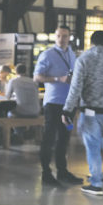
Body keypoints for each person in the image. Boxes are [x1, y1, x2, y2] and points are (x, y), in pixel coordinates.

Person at [62, 31, 103, 195]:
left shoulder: (84, 59)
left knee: (93, 147)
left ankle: (96, 184)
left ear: (91, 42)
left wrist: (68, 110)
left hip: (91, 111)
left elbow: (76, 87)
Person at [33, 25, 83, 186]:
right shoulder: (47, 55)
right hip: (53, 103)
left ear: (70, 37)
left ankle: (62, 171)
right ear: (55, 37)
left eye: (65, 36)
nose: (62, 39)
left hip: (69, 104)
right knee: (49, 137)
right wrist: (57, 79)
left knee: (64, 138)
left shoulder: (72, 54)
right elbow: (37, 77)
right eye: (59, 36)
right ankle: (46, 173)